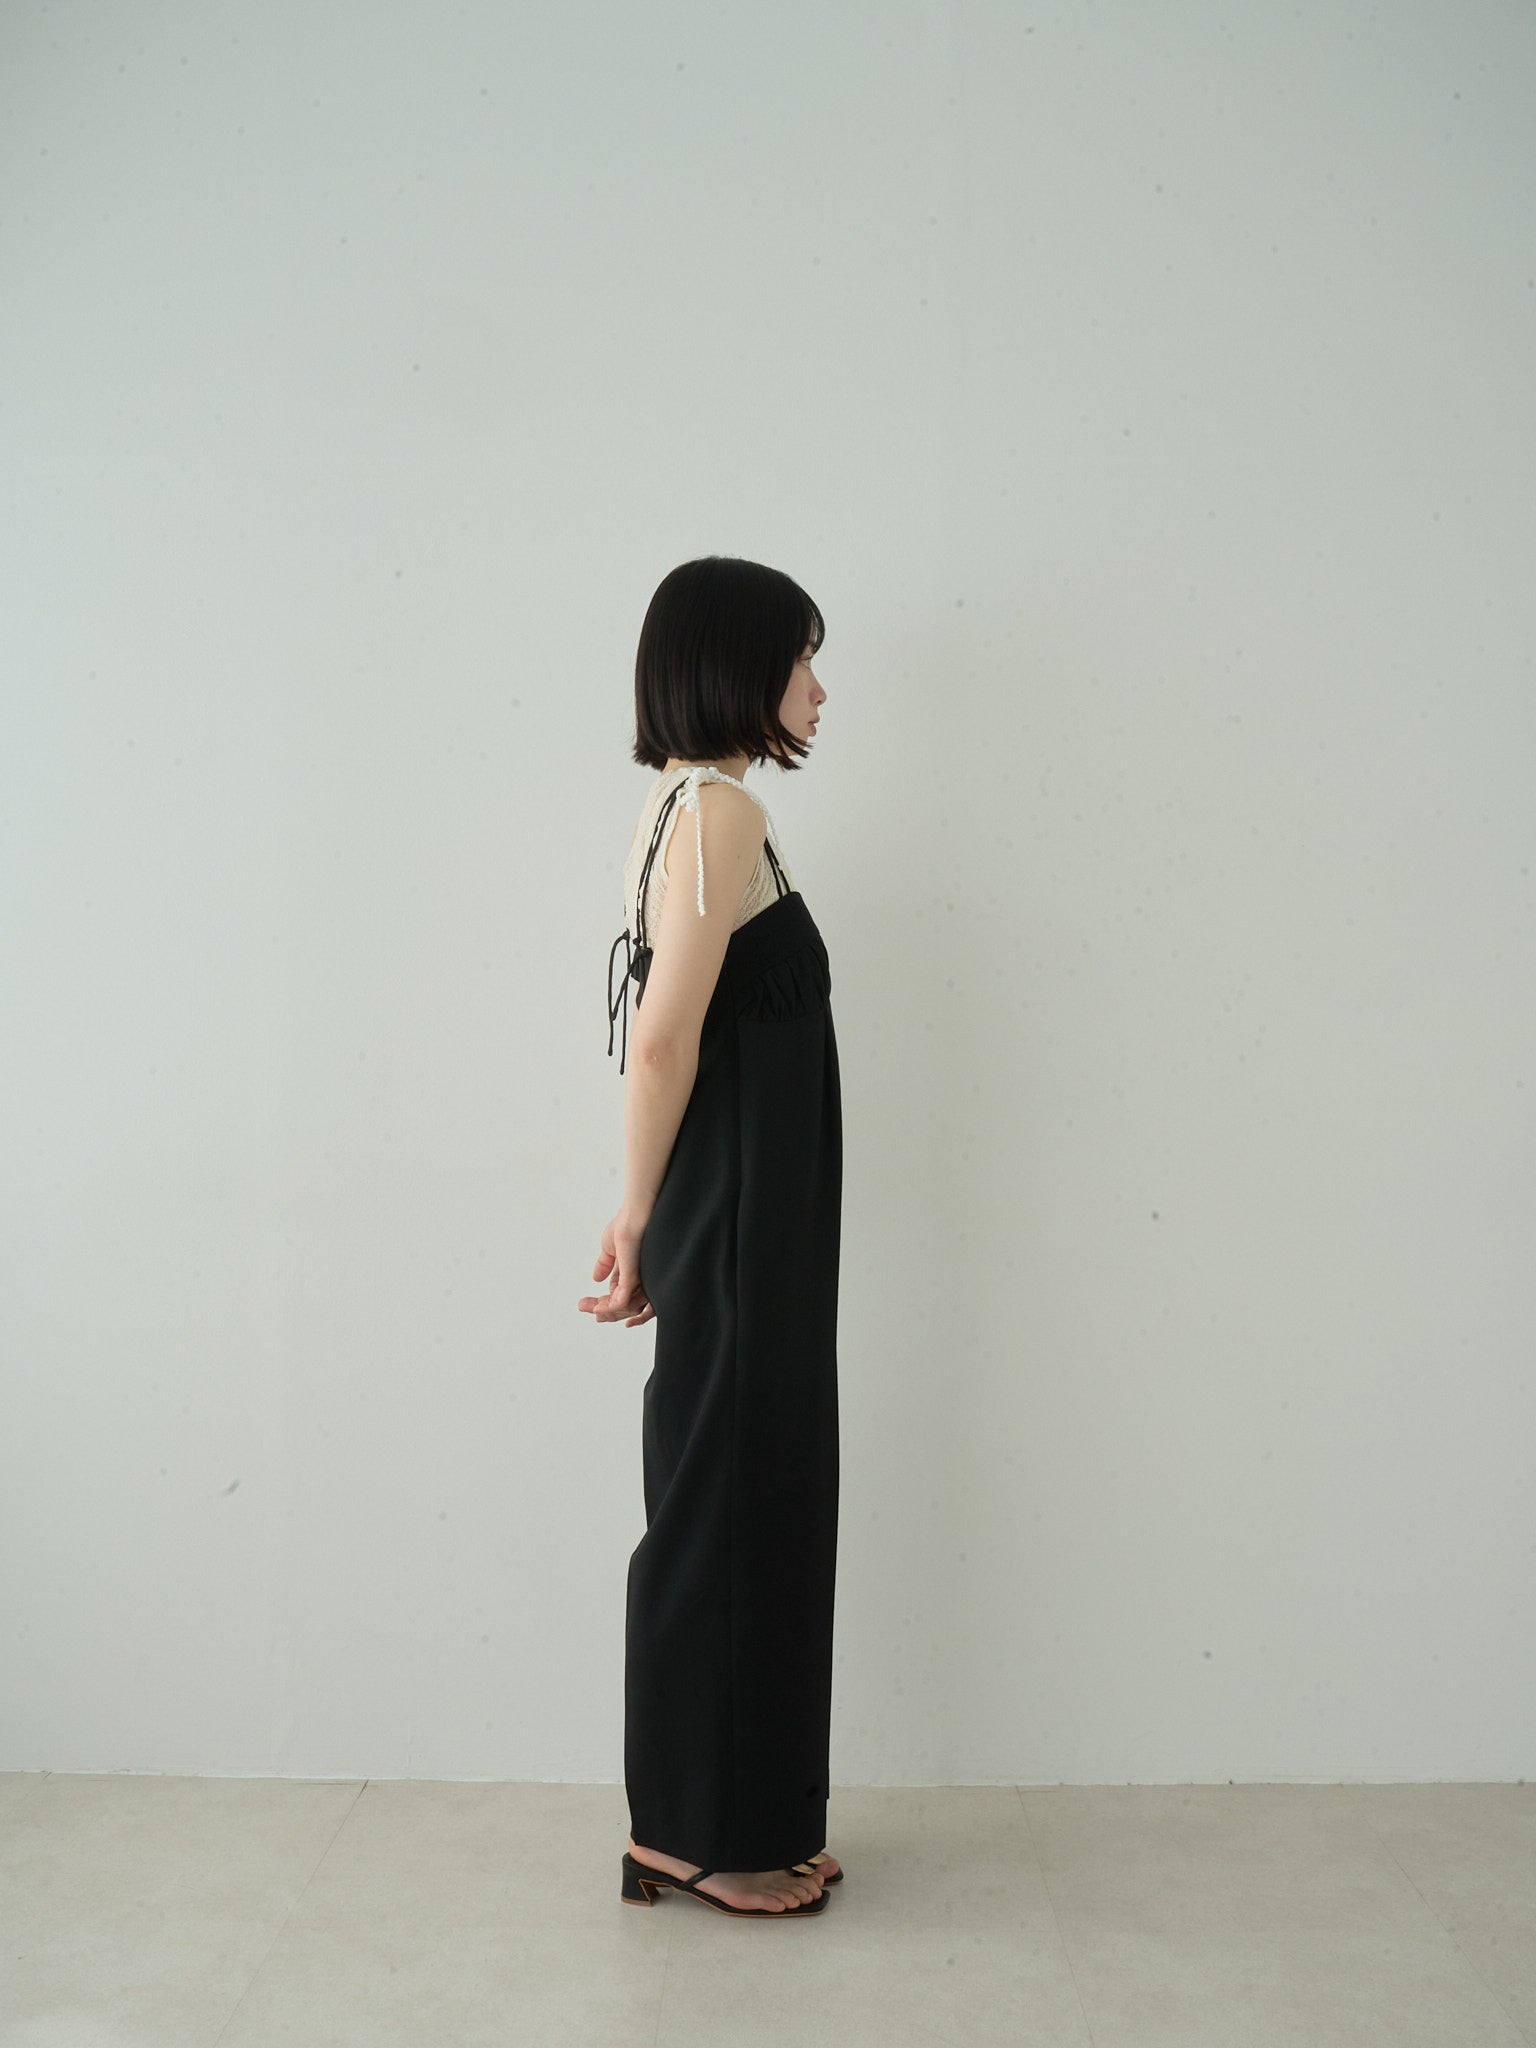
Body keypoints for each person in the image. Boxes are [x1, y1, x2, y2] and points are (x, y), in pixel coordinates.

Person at [577, 555, 844, 1919]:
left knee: (751, 1493)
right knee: (731, 1504)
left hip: (747, 1212)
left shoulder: (691, 806)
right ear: (739, 666)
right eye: (801, 657)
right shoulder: (719, 809)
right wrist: (639, 1216)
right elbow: (665, 1034)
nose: (818, 687)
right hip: (743, 1215)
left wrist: (652, 1213)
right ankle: (692, 1836)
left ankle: (743, 1817)